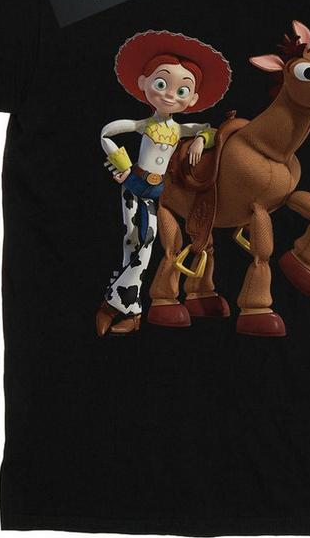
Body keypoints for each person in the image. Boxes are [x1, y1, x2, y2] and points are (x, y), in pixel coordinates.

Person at [95, 30, 232, 336]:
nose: (170, 95)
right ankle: (123, 307)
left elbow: (210, 130)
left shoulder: (179, 129)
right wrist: (123, 166)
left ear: (192, 99)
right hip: (134, 187)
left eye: (181, 90)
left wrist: (200, 140)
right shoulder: (144, 124)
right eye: (161, 84)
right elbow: (107, 132)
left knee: (140, 244)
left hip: (155, 191)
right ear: (144, 83)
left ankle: (120, 307)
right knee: (137, 241)